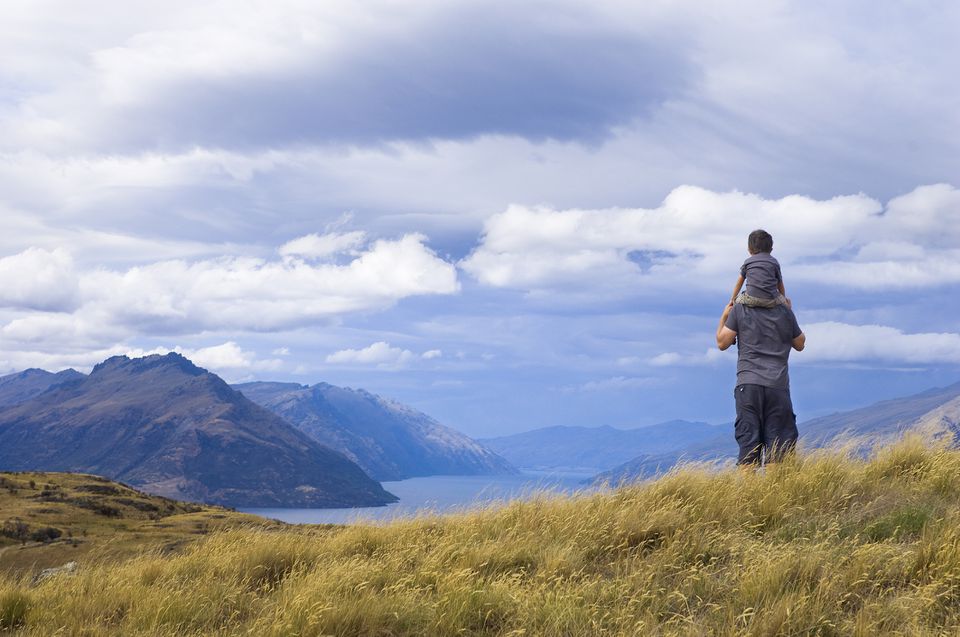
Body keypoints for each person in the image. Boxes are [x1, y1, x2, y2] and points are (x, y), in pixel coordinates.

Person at [716, 276, 806, 466]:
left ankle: (750, 495)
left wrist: (724, 316)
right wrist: (789, 311)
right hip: (777, 386)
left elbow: (722, 342)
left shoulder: (739, 308)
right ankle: (774, 495)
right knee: (778, 449)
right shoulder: (784, 311)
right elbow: (800, 343)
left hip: (748, 385)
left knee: (749, 447)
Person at [729, 229, 788, 309]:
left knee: (736, 303)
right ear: (771, 249)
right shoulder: (774, 262)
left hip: (751, 299)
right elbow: (780, 284)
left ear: (749, 249)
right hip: (770, 300)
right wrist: (783, 299)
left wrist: (732, 299)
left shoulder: (748, 262)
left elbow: (740, 281)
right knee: (788, 302)